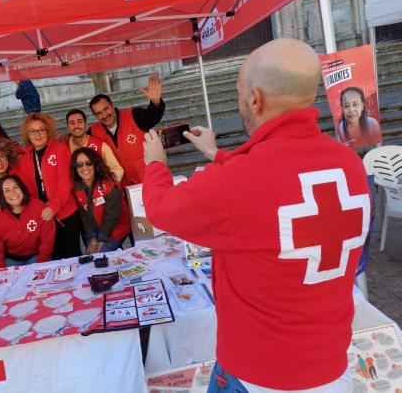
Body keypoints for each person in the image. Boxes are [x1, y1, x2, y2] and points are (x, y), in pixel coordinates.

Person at [142, 39, 370, 392]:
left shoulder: (238, 182)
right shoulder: (350, 165)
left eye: (239, 92)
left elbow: (161, 208)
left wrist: (155, 163)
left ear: (255, 99)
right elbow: (276, 188)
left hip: (259, 373)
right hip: (330, 369)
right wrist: (217, 153)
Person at [15, 112, 82, 259]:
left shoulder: (60, 150)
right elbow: (20, 187)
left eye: (41, 130)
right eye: (33, 131)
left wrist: (53, 207)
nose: (37, 134)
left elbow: (66, 182)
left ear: (48, 131)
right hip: (43, 217)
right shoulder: (24, 158)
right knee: (55, 257)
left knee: (73, 256)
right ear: (28, 134)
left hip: (66, 213)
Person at [89, 72, 164, 186]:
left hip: (149, 180)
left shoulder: (134, 115)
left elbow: (153, 116)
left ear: (112, 105)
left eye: (106, 109)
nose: (104, 115)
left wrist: (155, 101)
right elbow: (80, 142)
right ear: (95, 116)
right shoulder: (93, 132)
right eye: (99, 113)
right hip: (122, 188)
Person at [0, 174, 55, 267]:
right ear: (2, 195)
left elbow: (47, 241)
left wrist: (40, 265)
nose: (13, 193)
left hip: (36, 257)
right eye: (7, 190)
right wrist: (2, 271)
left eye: (16, 187)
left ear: (22, 188)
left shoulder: (39, 207)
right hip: (11, 260)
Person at [70, 148, 130, 254]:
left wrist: (101, 239)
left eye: (88, 163)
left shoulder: (109, 185)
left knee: (98, 256)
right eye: (79, 165)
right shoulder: (77, 188)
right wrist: (93, 239)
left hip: (116, 231)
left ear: (95, 164)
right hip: (97, 232)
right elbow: (85, 218)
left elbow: (112, 217)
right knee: (89, 257)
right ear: (75, 168)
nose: (85, 167)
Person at [65, 108, 124, 183]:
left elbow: (117, 170)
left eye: (80, 122)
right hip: (75, 192)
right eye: (72, 123)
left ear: (86, 125)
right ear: (67, 127)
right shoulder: (63, 146)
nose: (76, 126)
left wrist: (103, 184)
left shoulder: (100, 145)